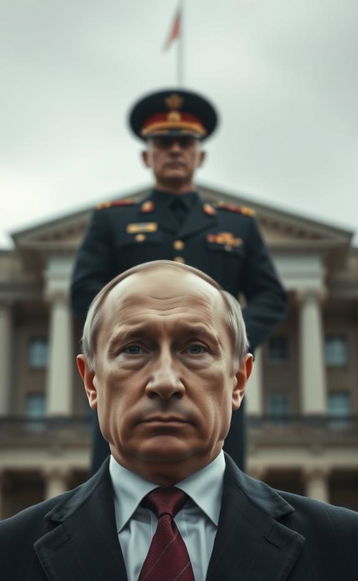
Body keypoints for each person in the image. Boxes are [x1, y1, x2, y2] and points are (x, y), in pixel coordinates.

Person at [0, 261, 358, 581]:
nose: (165, 381)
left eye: (195, 348)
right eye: (133, 348)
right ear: (90, 381)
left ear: (238, 380)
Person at [71, 88, 287, 473]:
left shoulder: (238, 223)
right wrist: (125, 339)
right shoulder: (112, 220)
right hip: (132, 377)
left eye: (185, 142)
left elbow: (270, 296)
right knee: (109, 495)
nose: (174, 151)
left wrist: (224, 340)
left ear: (199, 156)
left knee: (226, 493)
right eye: (163, 142)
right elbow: (86, 293)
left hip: (210, 379)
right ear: (146, 156)